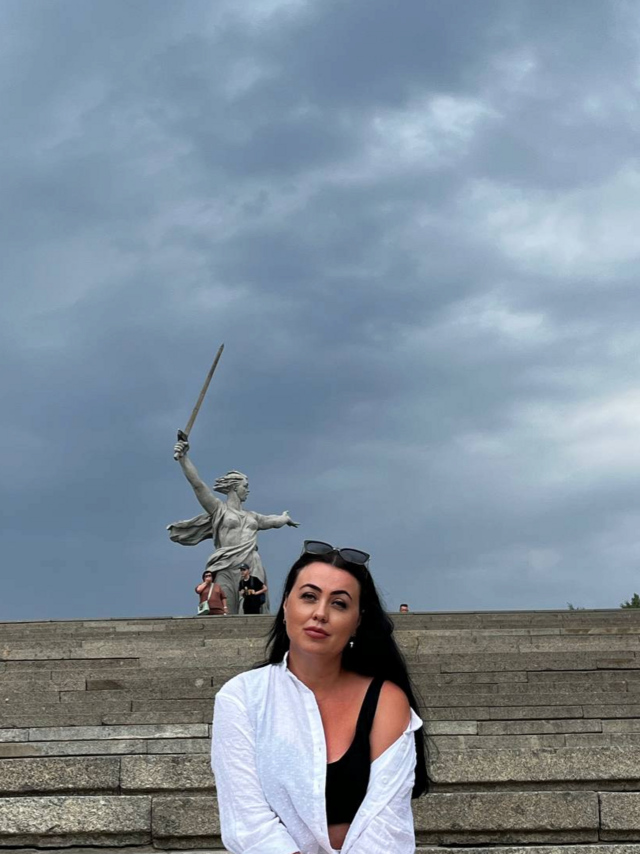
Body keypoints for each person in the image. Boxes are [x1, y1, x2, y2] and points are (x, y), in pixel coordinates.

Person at [212, 540, 428, 854]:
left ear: (357, 621)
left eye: (339, 603)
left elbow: (387, 828)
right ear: (286, 606)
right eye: (309, 597)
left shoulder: (386, 700)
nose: (320, 613)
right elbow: (248, 823)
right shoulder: (242, 697)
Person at [168, 438, 299, 614]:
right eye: (245, 486)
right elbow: (198, 485)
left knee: (251, 609)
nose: (248, 490)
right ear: (235, 487)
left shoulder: (253, 517)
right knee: (224, 610)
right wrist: (183, 458)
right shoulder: (218, 510)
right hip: (225, 565)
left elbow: (273, 521)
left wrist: (285, 518)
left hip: (251, 564)